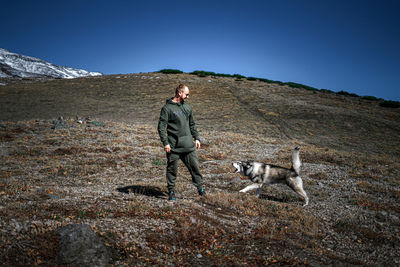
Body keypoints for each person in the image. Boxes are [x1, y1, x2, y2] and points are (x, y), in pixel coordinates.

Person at [157, 84, 205, 201]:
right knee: (172, 170)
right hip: (173, 147)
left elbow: (192, 124)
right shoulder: (167, 108)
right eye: (186, 94)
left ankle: (201, 190)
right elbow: (161, 127)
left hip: (188, 146)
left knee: (195, 169)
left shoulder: (187, 107)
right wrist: (165, 142)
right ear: (179, 93)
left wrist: (197, 138)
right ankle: (171, 192)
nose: (188, 97)